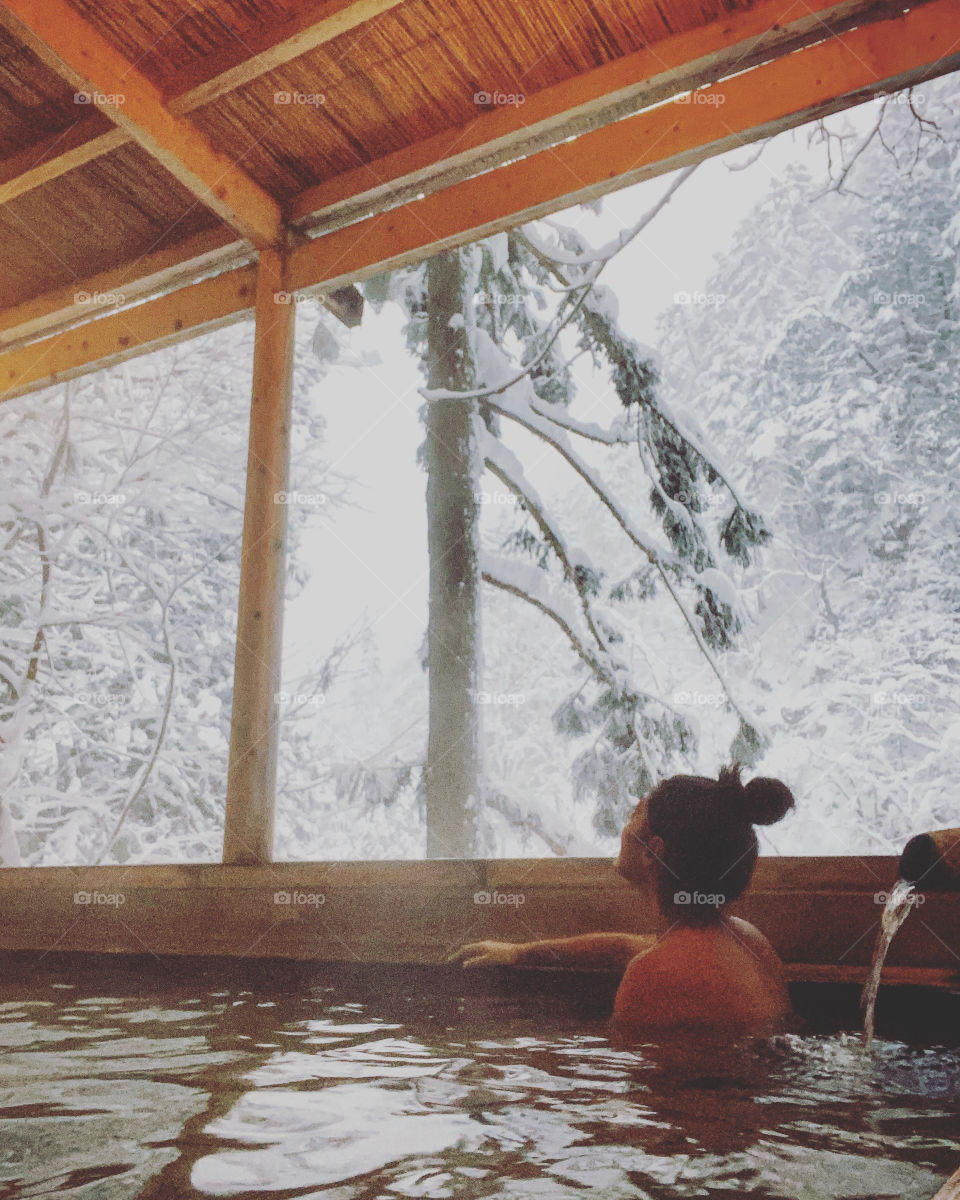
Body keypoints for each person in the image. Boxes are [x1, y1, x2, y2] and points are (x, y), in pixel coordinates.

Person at [449, 765, 795, 1037]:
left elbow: (638, 1103)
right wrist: (520, 953)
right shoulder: (746, 939)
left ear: (654, 851)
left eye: (635, 814)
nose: (624, 828)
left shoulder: (654, 975)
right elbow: (625, 946)